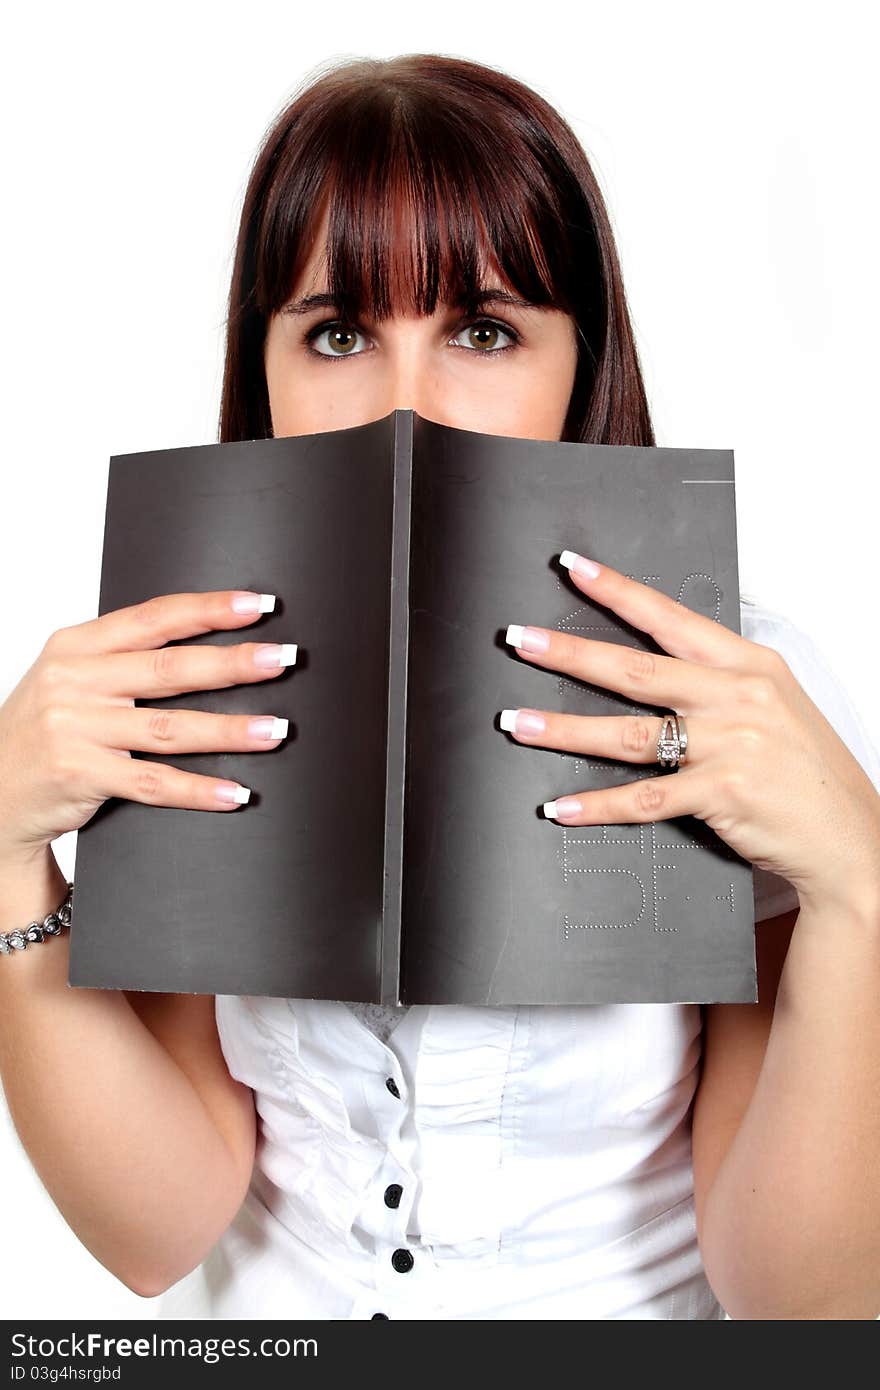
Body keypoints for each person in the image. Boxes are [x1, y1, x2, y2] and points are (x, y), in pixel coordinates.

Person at [2, 54, 879, 1323]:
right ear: (267, 368)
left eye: (482, 330)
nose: (406, 401)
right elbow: (156, 1226)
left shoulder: (729, 685)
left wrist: (858, 880)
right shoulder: (179, 667)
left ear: (581, 362)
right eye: (341, 333)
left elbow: (799, 1305)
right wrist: (10, 852)